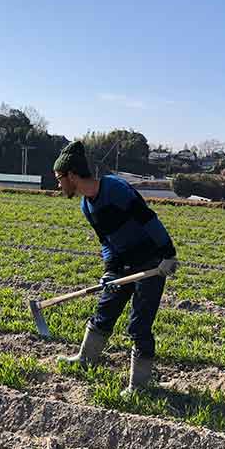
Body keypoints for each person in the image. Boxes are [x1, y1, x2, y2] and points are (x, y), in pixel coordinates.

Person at [53, 141, 177, 395]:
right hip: (123, 264)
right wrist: (110, 270)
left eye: (59, 178)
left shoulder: (115, 189)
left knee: (139, 324)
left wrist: (168, 254)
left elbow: (148, 219)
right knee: (105, 310)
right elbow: (106, 241)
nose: (58, 184)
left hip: (150, 262)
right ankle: (86, 358)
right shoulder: (87, 205)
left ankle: (139, 386)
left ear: (73, 175)